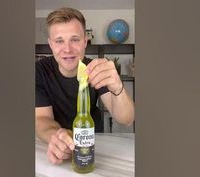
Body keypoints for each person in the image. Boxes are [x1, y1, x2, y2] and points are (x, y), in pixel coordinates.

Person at [35, 7, 135, 165]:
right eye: (59, 41)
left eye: (74, 39)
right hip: (55, 148)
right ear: (50, 45)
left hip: (94, 147)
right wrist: (58, 136)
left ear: (84, 42)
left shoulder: (94, 69)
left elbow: (127, 119)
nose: (67, 49)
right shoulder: (39, 70)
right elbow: (41, 118)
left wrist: (118, 89)